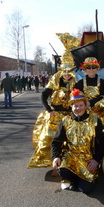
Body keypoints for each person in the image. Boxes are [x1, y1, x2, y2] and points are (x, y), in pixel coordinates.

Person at [27, 34, 79, 170]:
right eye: (65, 71)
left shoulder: (76, 79)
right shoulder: (56, 78)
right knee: (48, 138)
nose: (67, 74)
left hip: (71, 115)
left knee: (72, 140)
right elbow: (44, 95)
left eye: (70, 71)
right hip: (55, 115)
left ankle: (69, 164)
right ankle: (53, 162)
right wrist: (49, 110)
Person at [52, 89, 104, 194]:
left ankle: (82, 180)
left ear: (86, 106)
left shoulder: (94, 119)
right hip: (71, 157)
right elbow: (56, 141)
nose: (78, 108)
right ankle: (73, 179)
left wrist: (96, 159)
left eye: (81, 105)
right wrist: (55, 157)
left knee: (86, 189)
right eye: (75, 106)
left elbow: (103, 141)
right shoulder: (65, 121)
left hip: (88, 159)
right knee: (61, 170)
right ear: (71, 107)